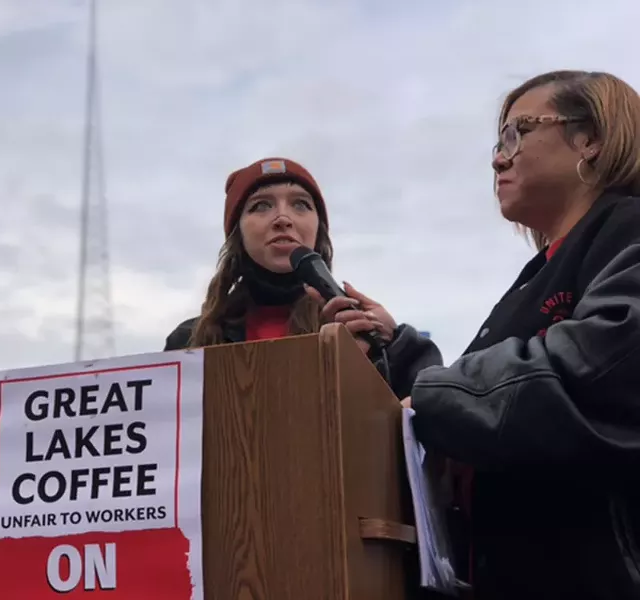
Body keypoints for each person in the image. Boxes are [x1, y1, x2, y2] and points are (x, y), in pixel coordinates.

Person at [321, 70, 640, 599]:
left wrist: (430, 399)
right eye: (498, 142)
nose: (498, 158)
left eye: (519, 133)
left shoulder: (628, 231)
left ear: (591, 138)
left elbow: (596, 371)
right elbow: (480, 408)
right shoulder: (533, 281)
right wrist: (395, 346)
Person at [164, 157, 439, 398]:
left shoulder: (359, 331)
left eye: (300, 204)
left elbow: (436, 412)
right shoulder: (189, 342)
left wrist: (394, 347)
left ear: (318, 230)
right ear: (238, 235)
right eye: (261, 206)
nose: (283, 218)